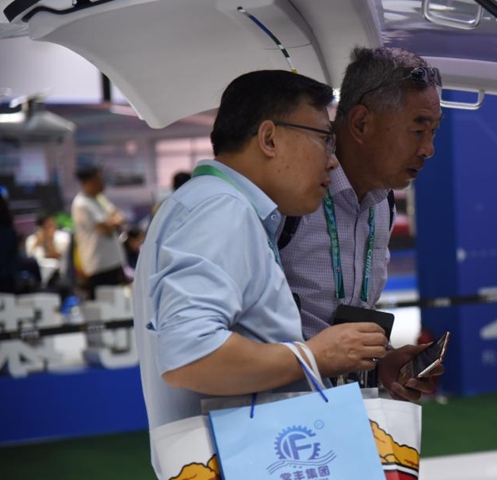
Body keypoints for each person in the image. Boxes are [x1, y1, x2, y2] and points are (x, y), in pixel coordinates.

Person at [132, 70, 388, 478]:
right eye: (325, 138)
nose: (333, 158)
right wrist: (314, 356)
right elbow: (190, 354)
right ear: (269, 138)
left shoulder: (213, 206)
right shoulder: (220, 210)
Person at [278, 47, 444, 401]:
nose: (429, 149)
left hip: (344, 417)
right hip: (279, 421)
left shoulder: (381, 203)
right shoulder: (289, 195)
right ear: (360, 123)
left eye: (434, 130)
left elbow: (343, 324)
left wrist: (382, 364)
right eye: (418, 130)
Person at [71, 165, 127, 299]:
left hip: (113, 262)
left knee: (119, 304)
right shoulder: (82, 204)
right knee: (104, 307)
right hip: (99, 266)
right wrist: (113, 220)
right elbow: (105, 228)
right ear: (88, 182)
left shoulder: (99, 199)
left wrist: (113, 220)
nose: (102, 184)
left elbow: (119, 217)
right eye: (98, 180)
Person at [24, 211, 71, 286]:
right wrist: (37, 243)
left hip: (58, 275)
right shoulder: (32, 240)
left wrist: (49, 241)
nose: (50, 229)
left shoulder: (63, 237)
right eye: (46, 227)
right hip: (37, 275)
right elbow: (30, 259)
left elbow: (57, 256)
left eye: (51, 225)